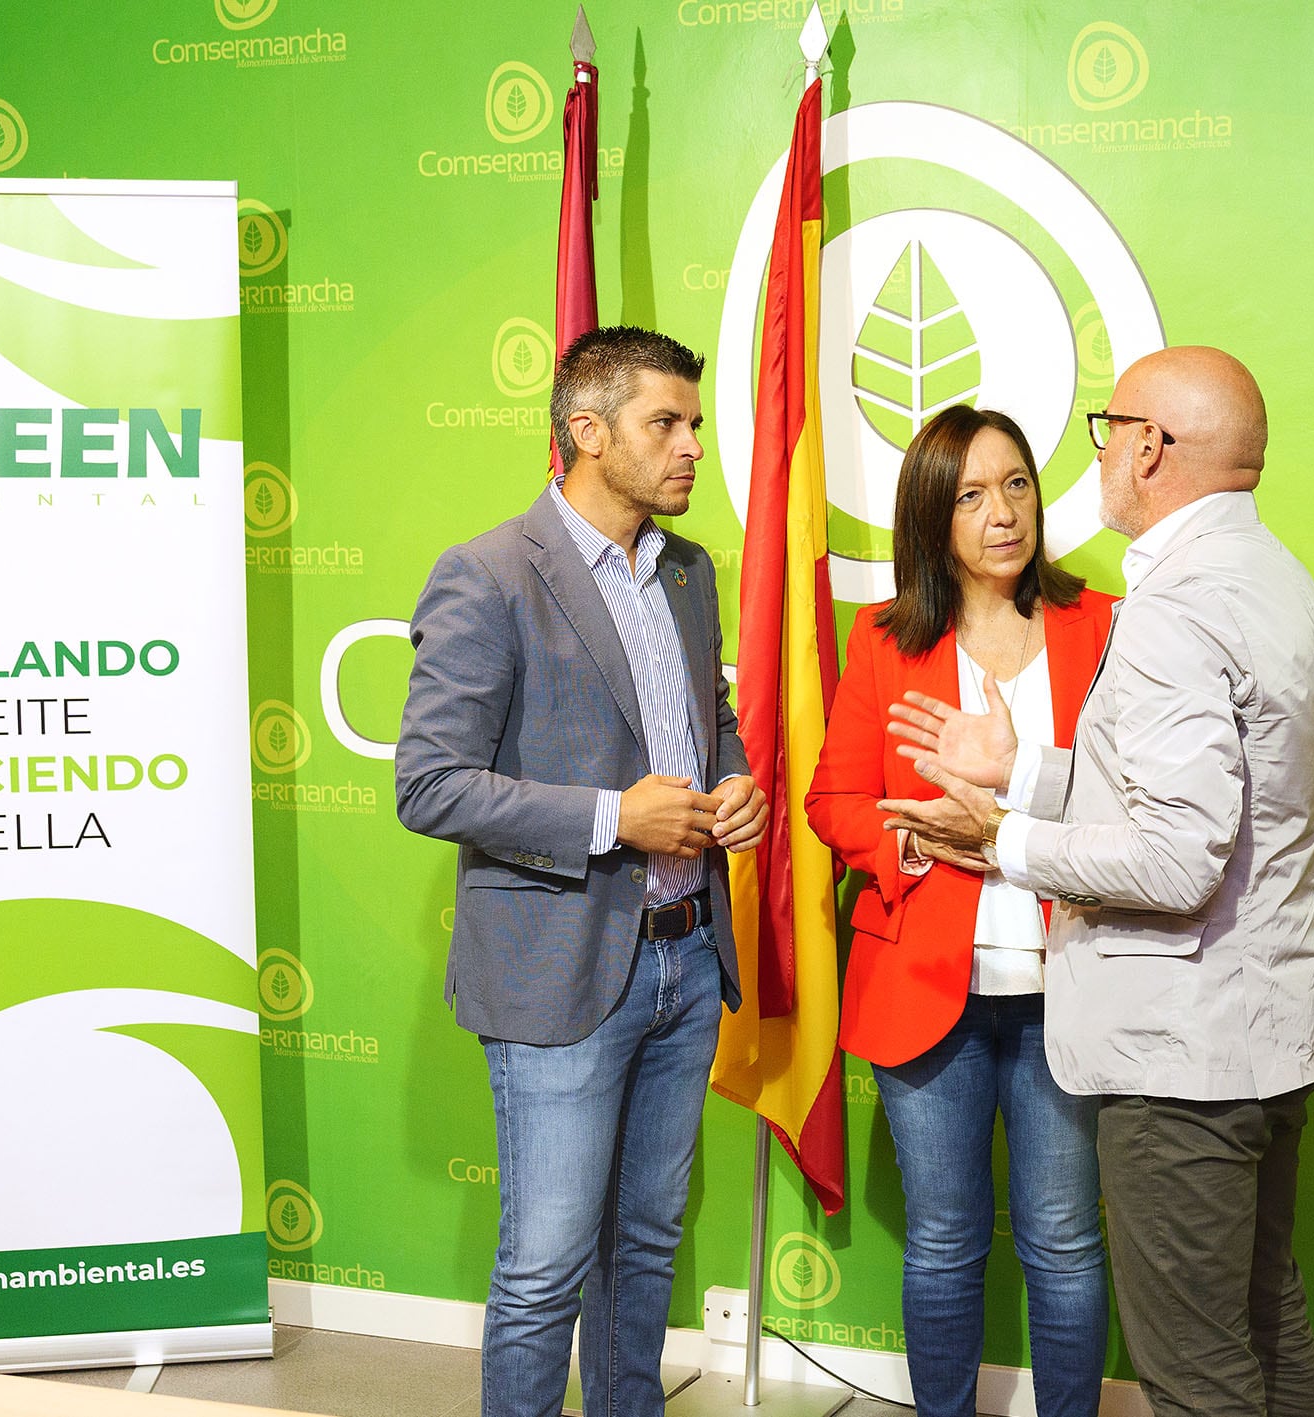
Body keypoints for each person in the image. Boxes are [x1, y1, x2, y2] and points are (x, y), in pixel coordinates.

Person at [881, 348, 1314, 1417]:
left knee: (1194, 1373)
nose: (1095, 454)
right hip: (1262, 1037)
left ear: (1150, 446)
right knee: (1264, 1326)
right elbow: (1191, 791)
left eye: (1107, 427)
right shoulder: (1271, 576)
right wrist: (1031, 773)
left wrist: (1003, 837)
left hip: (1182, 1057)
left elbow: (1178, 857)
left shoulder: (1174, 609)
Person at [394, 325, 769, 1417]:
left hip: (687, 960)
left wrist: (732, 781)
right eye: (667, 423)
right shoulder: (488, 575)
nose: (692, 445)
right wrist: (617, 816)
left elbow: (713, 717)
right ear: (585, 432)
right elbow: (429, 785)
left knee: (645, 1243)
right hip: (559, 972)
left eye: (694, 422)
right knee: (545, 1264)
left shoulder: (689, 570)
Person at [805, 405, 1116, 1417]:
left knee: (1063, 1239)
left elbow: (1134, 801)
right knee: (943, 1241)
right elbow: (832, 800)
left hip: (1064, 992)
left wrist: (1012, 807)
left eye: (1016, 484)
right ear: (931, 517)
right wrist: (912, 837)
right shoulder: (886, 640)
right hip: (921, 990)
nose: (1000, 513)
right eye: (971, 494)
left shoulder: (1101, 626)